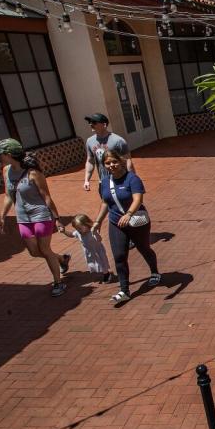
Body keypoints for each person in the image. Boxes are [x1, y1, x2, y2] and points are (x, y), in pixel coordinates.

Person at [0, 138, 70, 297]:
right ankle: (61, 259)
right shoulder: (6, 171)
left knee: (45, 250)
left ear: (9, 154)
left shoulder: (34, 173)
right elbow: (8, 195)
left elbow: (46, 197)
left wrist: (57, 218)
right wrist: (2, 216)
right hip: (22, 218)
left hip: (41, 215)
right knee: (34, 252)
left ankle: (58, 282)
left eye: (0, 154)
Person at [91, 149, 160, 305]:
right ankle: (124, 291)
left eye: (114, 162)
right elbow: (105, 203)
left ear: (121, 162)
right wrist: (97, 222)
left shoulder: (132, 179)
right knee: (119, 256)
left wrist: (128, 214)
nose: (111, 165)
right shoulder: (104, 183)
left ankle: (155, 272)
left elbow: (138, 199)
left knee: (144, 248)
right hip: (116, 223)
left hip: (136, 221)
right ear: (104, 165)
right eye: (107, 163)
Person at [83, 113, 134, 191]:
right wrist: (86, 180)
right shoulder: (90, 141)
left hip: (121, 181)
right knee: (106, 203)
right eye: (90, 122)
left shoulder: (118, 141)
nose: (91, 124)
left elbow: (128, 162)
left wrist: (133, 181)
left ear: (104, 125)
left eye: (94, 122)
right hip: (104, 183)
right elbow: (90, 161)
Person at [60, 213, 113, 283]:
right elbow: (71, 234)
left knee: (102, 263)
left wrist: (95, 233)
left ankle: (107, 274)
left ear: (86, 225)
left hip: (97, 251)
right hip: (89, 252)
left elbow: (99, 239)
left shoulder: (92, 231)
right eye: (76, 228)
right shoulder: (78, 233)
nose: (78, 230)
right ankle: (102, 272)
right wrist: (64, 232)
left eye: (80, 228)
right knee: (93, 263)